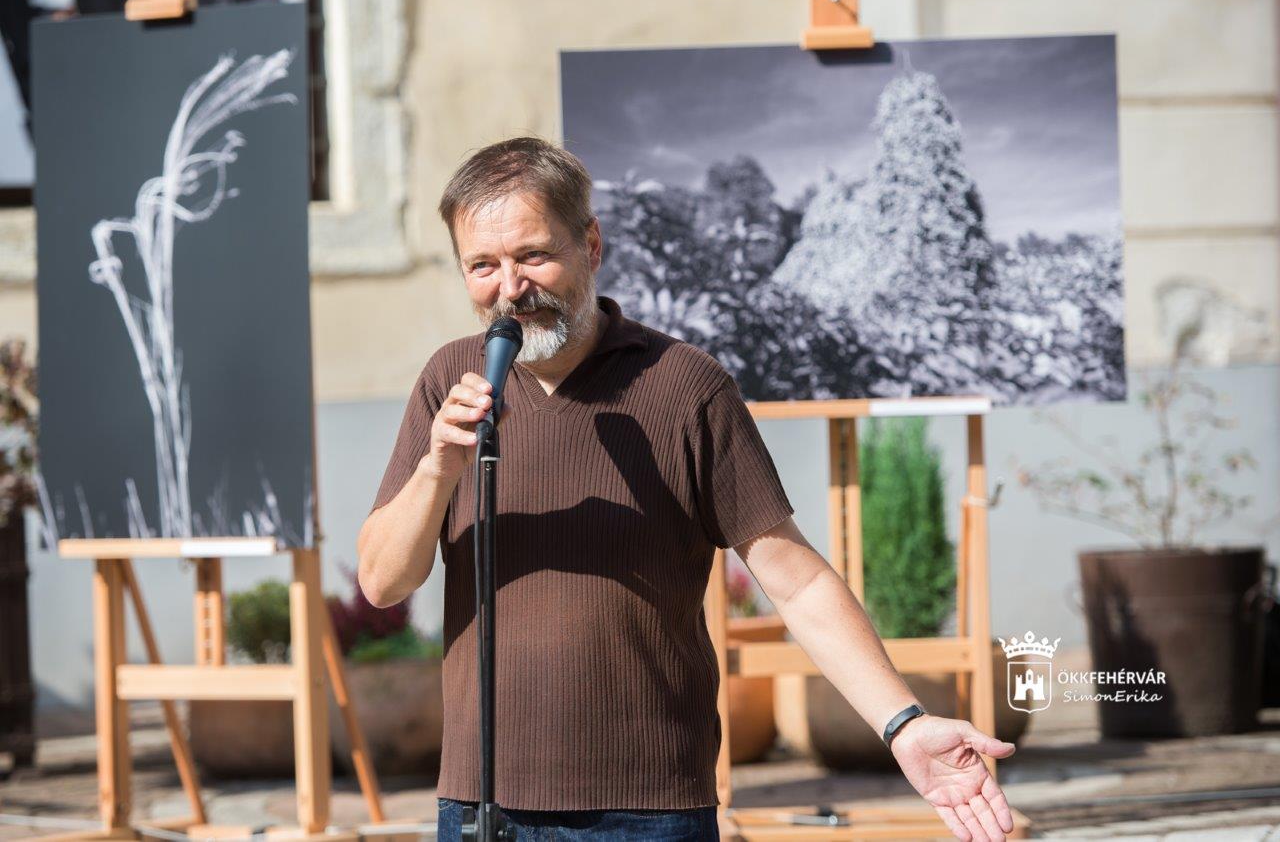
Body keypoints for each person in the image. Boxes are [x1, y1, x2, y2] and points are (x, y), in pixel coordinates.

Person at [357, 136, 1017, 842]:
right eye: (482, 266)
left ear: (592, 245)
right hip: (482, 806)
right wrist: (437, 470)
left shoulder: (685, 386)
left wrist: (904, 724)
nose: (509, 288)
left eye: (533, 257)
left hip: (648, 808)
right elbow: (383, 581)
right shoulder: (449, 380)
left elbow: (794, 582)